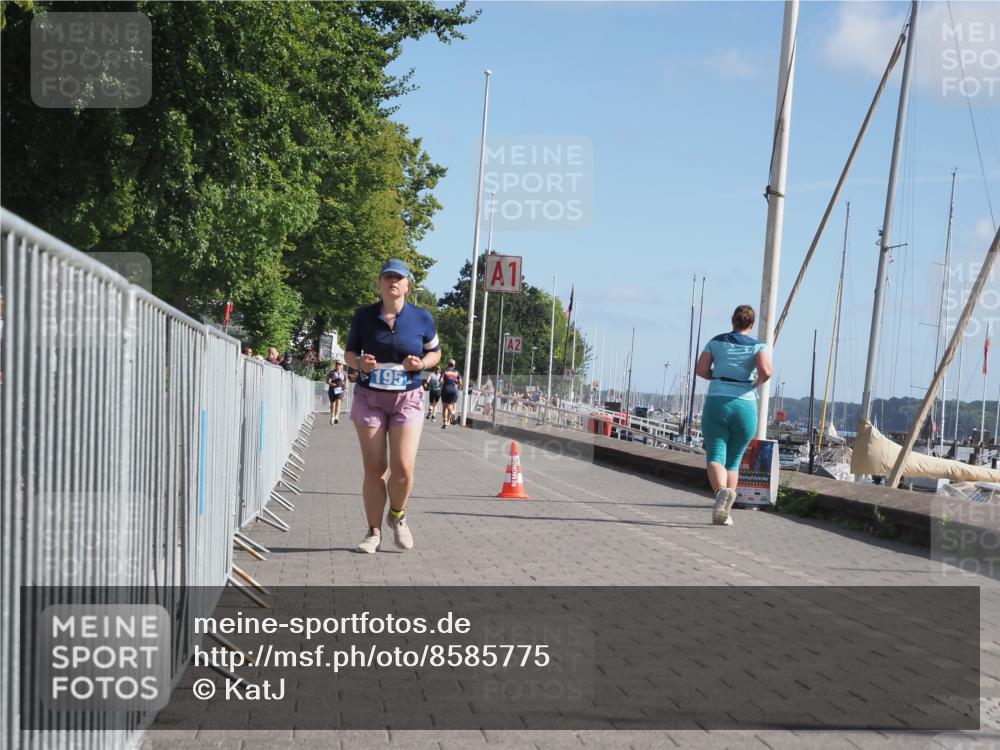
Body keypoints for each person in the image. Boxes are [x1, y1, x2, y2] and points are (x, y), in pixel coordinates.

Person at [344, 259, 441, 553]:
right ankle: (373, 532)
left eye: (398, 278)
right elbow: (349, 353)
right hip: (370, 397)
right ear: (379, 284)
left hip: (407, 398)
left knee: (403, 468)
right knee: (375, 468)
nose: (393, 282)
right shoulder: (363, 317)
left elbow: (435, 353)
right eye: (387, 277)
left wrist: (421, 363)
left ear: (408, 286)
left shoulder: (422, 318)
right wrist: (359, 362)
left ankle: (397, 516)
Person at [695, 304, 772, 526]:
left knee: (716, 455)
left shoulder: (716, 342)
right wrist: (755, 382)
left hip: (718, 402)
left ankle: (720, 492)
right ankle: (726, 512)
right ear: (752, 323)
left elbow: (701, 369)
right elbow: (766, 371)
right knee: (734, 461)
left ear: (732, 320)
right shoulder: (759, 346)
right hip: (746, 405)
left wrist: (716, 377)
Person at [439, 359, 462, 428]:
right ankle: (452, 414)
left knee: (445, 407)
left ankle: (445, 423)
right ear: (454, 366)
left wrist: (445, 382)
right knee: (450, 406)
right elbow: (460, 383)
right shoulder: (457, 372)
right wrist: (455, 382)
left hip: (446, 390)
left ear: (447, 364)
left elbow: (440, 381)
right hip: (453, 390)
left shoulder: (445, 371)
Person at [325, 361, 347, 425]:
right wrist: (331, 384)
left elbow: (345, 381)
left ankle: (336, 417)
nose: (337, 365)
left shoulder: (344, 373)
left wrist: (345, 387)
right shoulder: (332, 372)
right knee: (333, 403)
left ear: (341, 365)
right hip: (332, 389)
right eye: (336, 364)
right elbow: (327, 381)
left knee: (338, 403)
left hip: (340, 389)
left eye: (339, 364)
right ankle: (332, 417)